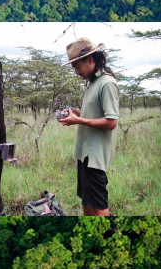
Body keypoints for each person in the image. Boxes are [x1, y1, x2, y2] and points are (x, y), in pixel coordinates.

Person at [59, 37, 119, 216]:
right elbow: (95, 114)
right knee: (87, 201)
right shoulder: (93, 82)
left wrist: (78, 121)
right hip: (84, 153)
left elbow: (111, 122)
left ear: (90, 60)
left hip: (96, 156)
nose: (76, 72)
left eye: (77, 67)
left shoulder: (107, 83)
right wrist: (77, 113)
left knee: (99, 205)